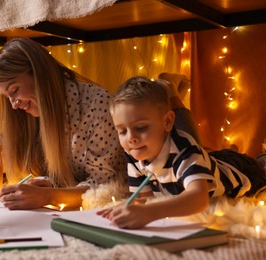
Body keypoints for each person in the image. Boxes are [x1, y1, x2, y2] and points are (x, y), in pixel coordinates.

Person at [98, 76, 266, 229]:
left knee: (257, 164)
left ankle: (253, 158)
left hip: (247, 175)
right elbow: (148, 198)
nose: (131, 138)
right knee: (212, 159)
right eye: (122, 131)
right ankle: (230, 151)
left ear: (168, 121)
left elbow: (199, 198)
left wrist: (148, 212)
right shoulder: (135, 152)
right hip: (209, 162)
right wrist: (131, 205)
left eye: (141, 128)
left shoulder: (184, 151)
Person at [0, 38, 127, 210]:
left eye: (15, 90)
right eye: (6, 97)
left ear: (40, 75)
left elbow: (105, 187)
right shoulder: (33, 115)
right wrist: (44, 185)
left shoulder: (98, 104)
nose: (14, 105)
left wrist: (48, 196)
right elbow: (64, 179)